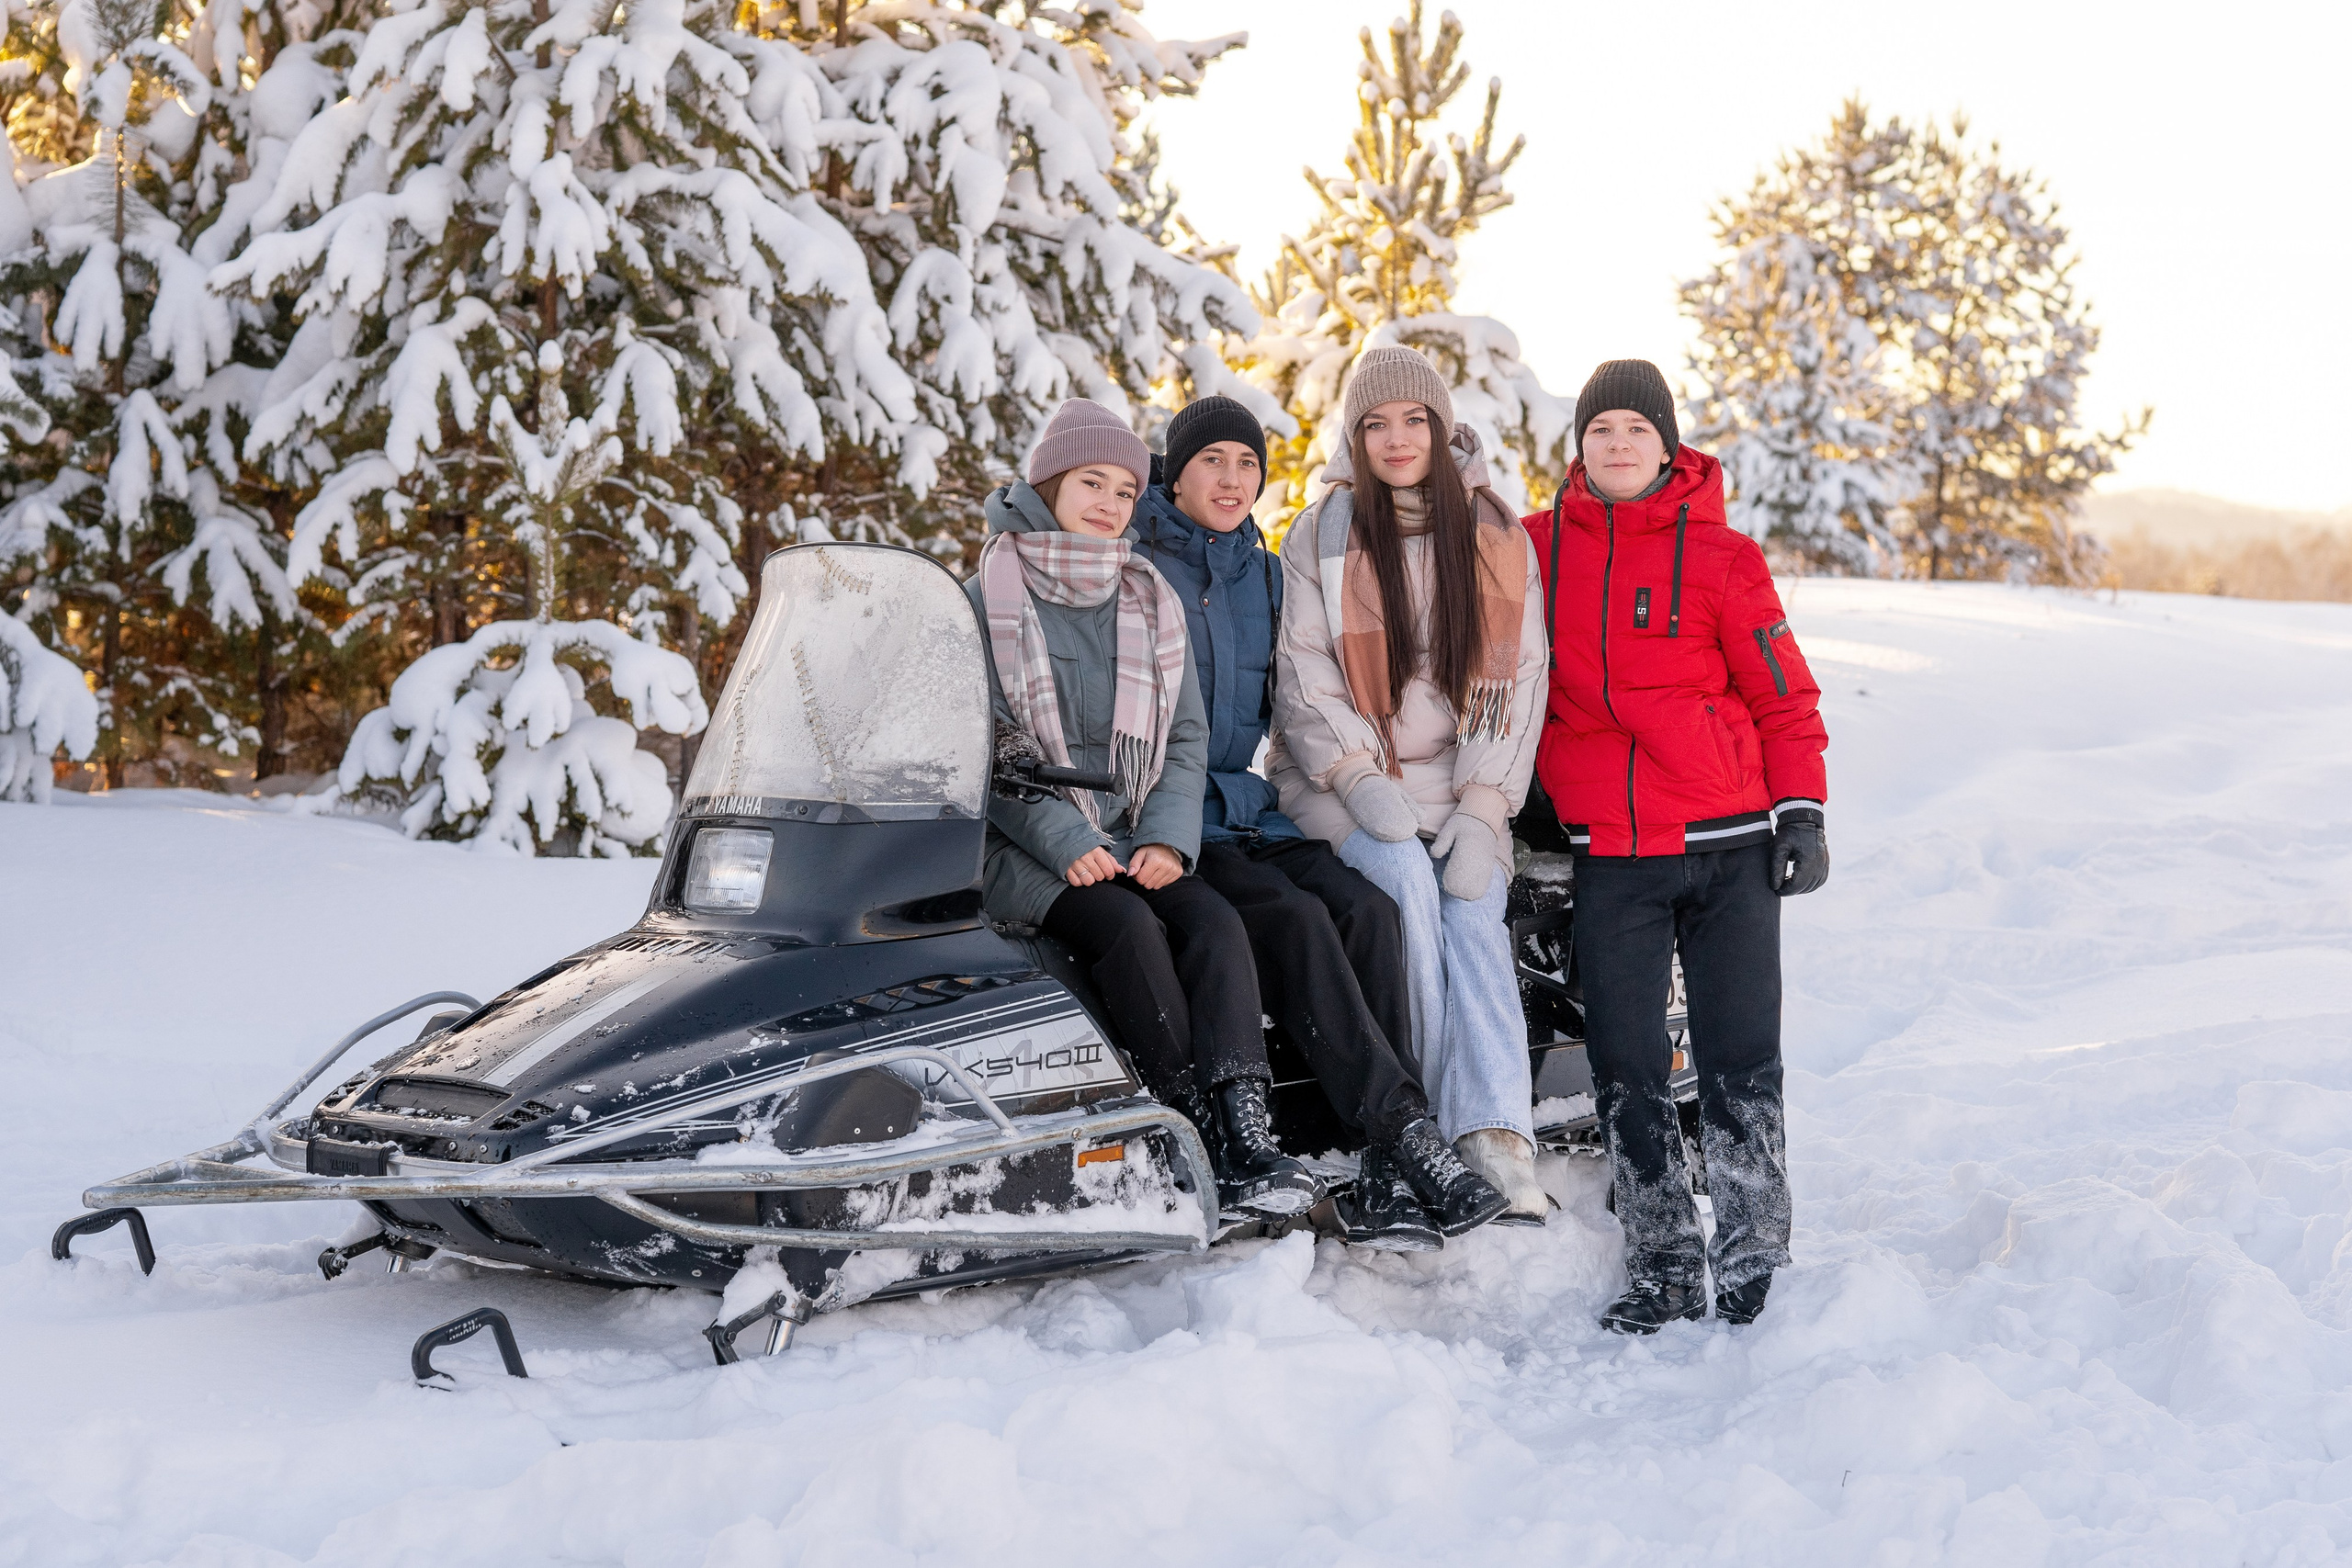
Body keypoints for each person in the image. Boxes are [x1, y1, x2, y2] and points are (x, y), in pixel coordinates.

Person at [1135, 395, 1508, 1248]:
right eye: (1212, 463)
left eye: (1246, 465)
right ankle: (1397, 1130)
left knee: (1369, 909)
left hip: (1247, 809)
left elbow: (1300, 688)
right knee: (1295, 919)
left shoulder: (1261, 568)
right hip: (1168, 814)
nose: (1232, 480)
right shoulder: (1132, 561)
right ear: (1176, 472)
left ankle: (1388, 1171)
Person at [1523, 359, 1830, 1333]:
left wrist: (1802, 811)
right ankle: (1660, 1257)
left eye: (1634, 430)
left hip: (1731, 843)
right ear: (1579, 447)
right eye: (1599, 429)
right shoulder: (1535, 552)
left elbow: (1784, 692)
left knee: (1740, 1052)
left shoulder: (1725, 558)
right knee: (1625, 1060)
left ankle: (1751, 1248)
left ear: (1667, 445)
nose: (1616, 446)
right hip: (1613, 848)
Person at [971, 399, 1322, 1218]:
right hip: (1019, 844)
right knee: (1127, 927)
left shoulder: (1146, 593)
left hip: (1130, 832)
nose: (1109, 503)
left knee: (1211, 920)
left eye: (1127, 491)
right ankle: (1187, 1125)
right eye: (1091, 482)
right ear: (1048, 482)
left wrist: (1167, 836)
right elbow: (987, 747)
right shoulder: (986, 592)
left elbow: (1185, 735)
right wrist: (1063, 838)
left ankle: (1246, 1126)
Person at [1268, 346, 1552, 1224]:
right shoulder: (1320, 532)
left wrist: (1482, 806)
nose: (1396, 439)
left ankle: (1500, 1137)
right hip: (1335, 774)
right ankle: (1427, 1125)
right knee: (1403, 889)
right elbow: (1304, 676)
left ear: (1441, 426)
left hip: (1462, 780)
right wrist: (1357, 776)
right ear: (1355, 436)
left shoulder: (1496, 536)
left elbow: (1518, 682)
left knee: (1471, 905)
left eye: (1413, 420)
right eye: (1376, 424)